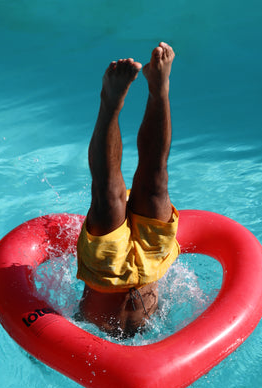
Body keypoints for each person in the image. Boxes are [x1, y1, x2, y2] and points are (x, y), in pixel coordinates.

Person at [76, 42, 180, 338]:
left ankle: (116, 101)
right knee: (155, 183)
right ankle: (153, 89)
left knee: (109, 196)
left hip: (108, 271)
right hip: (146, 261)